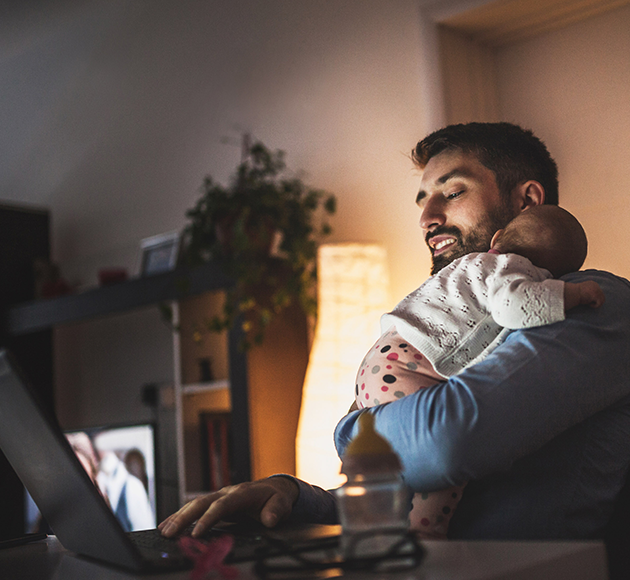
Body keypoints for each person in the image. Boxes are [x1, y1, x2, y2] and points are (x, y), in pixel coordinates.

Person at [159, 122, 630, 545]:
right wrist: (291, 496)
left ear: (527, 200)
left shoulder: (600, 303)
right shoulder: (461, 327)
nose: (428, 218)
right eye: (423, 199)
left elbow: (446, 442)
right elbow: (394, 498)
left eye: (453, 192)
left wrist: (349, 432)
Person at [356, 204, 604, 538]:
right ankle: (425, 533)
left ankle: (377, 526)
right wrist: (573, 293)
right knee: (442, 469)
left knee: (394, 472)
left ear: (497, 238)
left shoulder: (468, 266)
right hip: (412, 363)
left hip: (381, 359)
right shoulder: (513, 268)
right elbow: (514, 307)